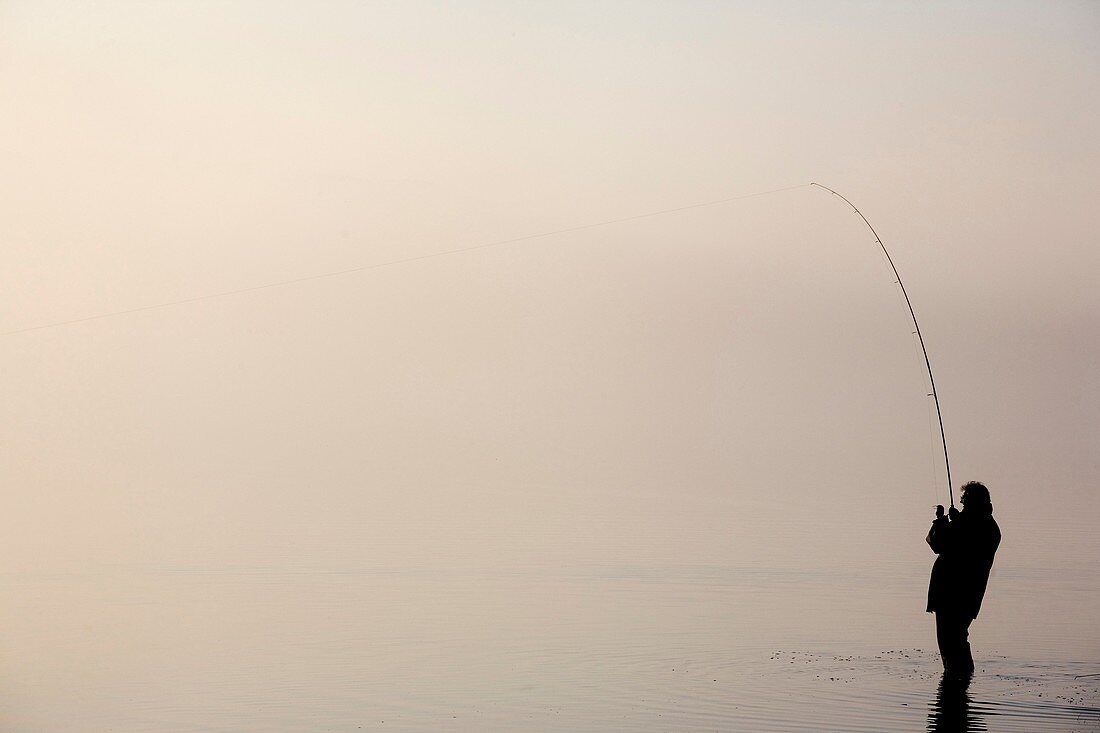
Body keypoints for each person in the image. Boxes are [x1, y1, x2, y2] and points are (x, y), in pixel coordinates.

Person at [926, 481, 1001, 676]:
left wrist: (941, 522)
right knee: (955, 638)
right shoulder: (985, 525)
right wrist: (956, 521)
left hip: (954, 595)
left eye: (966, 502)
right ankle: (959, 682)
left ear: (975, 504)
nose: (964, 506)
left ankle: (958, 681)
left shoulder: (972, 526)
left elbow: (938, 544)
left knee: (951, 639)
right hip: (965, 595)